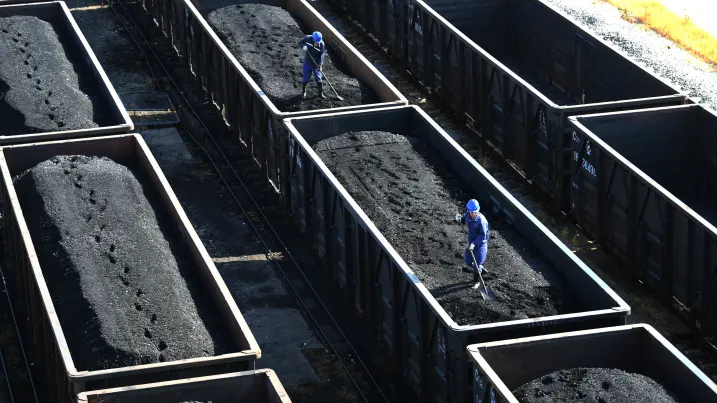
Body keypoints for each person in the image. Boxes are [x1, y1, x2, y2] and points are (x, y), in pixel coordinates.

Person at [455, 199, 489, 284]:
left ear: (478, 210)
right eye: (471, 212)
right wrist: (459, 219)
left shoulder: (482, 221)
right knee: (468, 260)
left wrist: (474, 243)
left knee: (477, 264)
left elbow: (483, 236)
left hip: (480, 244)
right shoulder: (468, 214)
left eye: (474, 212)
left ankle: (476, 281)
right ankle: (480, 269)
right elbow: (463, 219)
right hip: (471, 240)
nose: (472, 214)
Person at [298, 31, 326, 99]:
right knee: (306, 78)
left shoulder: (321, 44)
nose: (317, 43)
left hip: (316, 64)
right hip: (308, 62)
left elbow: (321, 56)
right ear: (313, 38)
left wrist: (320, 64)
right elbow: (300, 42)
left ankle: (320, 93)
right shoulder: (307, 38)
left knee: (319, 78)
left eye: (318, 42)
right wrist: (303, 46)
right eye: (316, 41)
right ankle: (304, 91)